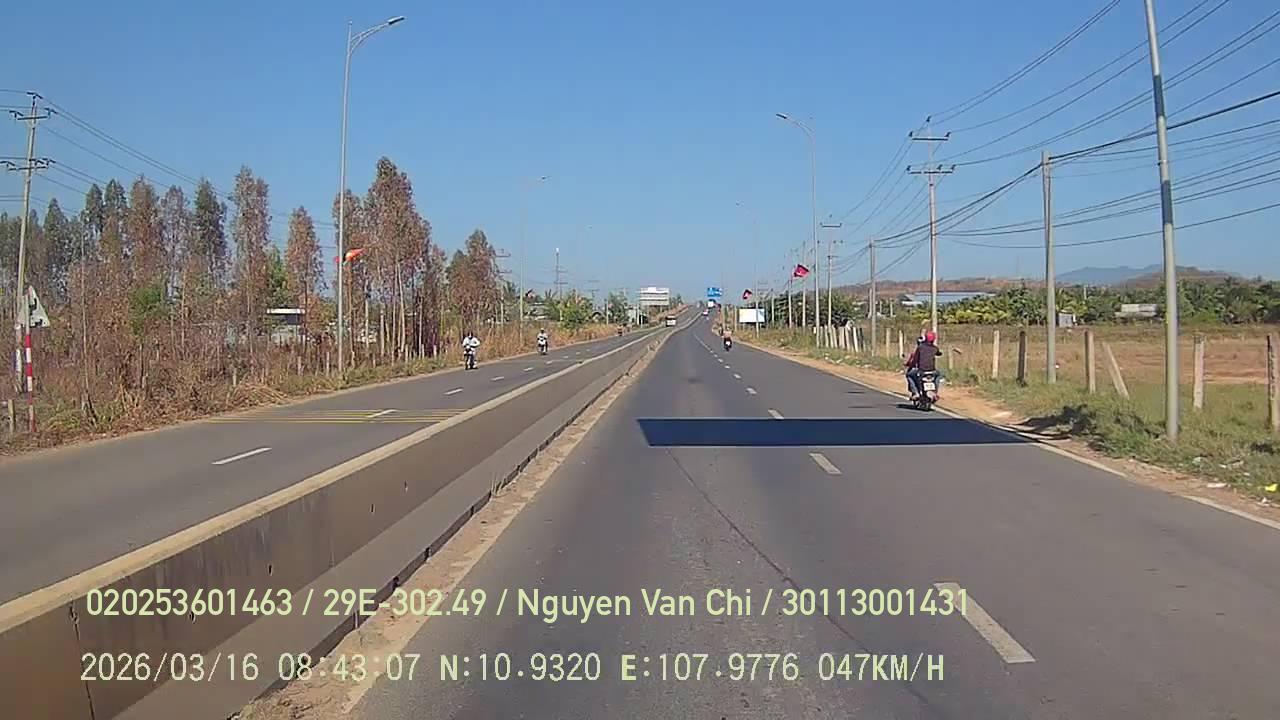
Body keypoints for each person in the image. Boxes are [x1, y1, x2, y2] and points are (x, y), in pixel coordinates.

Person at [904, 330, 941, 399]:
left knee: (909, 375)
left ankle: (915, 392)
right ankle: (935, 392)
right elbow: (939, 353)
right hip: (932, 371)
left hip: (921, 370)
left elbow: (915, 359)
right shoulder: (935, 348)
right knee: (938, 375)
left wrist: (910, 366)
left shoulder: (920, 347)